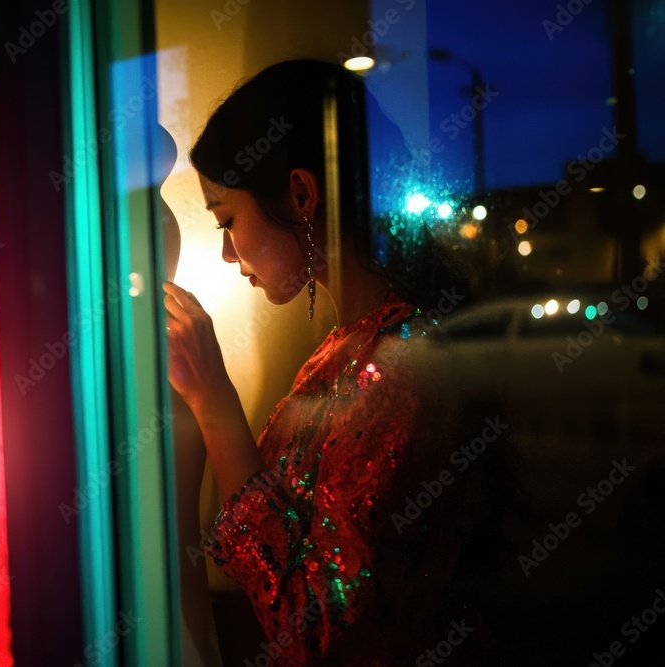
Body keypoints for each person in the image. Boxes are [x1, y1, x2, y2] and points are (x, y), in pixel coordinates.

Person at [162, 60, 503, 665]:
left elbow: (312, 628)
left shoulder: (400, 371)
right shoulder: (346, 349)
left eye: (227, 220)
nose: (222, 252)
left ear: (300, 195)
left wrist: (214, 401)